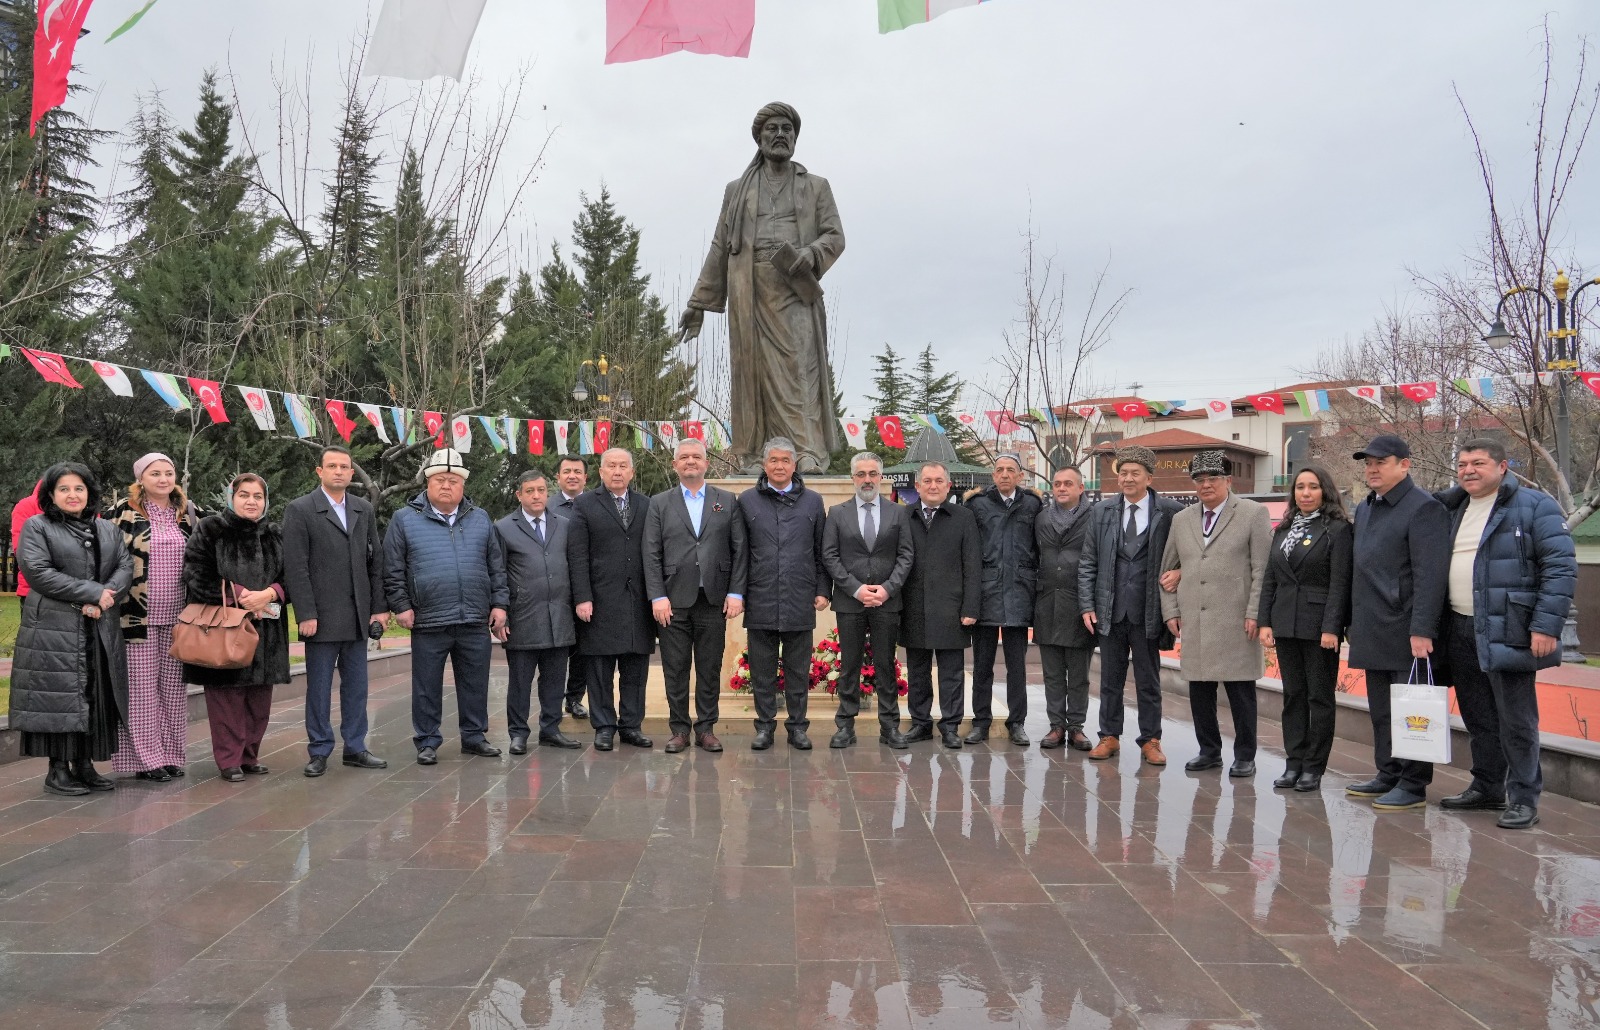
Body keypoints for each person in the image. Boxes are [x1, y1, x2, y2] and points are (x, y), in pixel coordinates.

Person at [679, 101, 845, 472]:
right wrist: (699, 303)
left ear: (795, 137)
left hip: (794, 291)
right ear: (759, 137)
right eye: (773, 129)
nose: (781, 135)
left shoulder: (815, 186)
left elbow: (835, 236)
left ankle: (806, 452)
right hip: (749, 293)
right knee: (752, 373)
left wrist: (812, 253)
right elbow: (721, 245)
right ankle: (756, 454)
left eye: (788, 129)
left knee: (799, 369)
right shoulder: (737, 190)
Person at [1435, 438, 1575, 829]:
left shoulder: (1535, 506)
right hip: (1459, 627)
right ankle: (1487, 787)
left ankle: (1524, 798)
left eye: (1478, 463)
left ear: (1502, 466)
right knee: (1478, 716)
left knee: (1516, 720)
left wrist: (1546, 625)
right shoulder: (1452, 508)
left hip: (1509, 627)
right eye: (1462, 464)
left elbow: (1560, 568)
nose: (1468, 471)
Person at [10, 465, 132, 796]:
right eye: (63, 489)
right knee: (60, 695)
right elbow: (37, 571)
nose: (72, 495)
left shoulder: (106, 528)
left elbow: (124, 565)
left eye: (78, 488)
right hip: (54, 629)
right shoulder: (38, 526)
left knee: (93, 692)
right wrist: (93, 593)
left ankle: (85, 765)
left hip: (98, 626)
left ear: (90, 493)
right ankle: (57, 770)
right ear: (50, 495)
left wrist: (107, 596)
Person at [384, 448, 509, 765]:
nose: (446, 486)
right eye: (440, 479)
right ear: (427, 482)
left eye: (453, 480)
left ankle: (474, 736)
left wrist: (499, 605)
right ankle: (427, 741)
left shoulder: (480, 519)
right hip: (428, 619)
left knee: (475, 682)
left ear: (463, 485)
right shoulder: (404, 520)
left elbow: (497, 567)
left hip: (473, 618)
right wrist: (401, 605)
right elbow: (393, 568)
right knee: (426, 685)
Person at [1344, 435, 1450, 812]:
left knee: (1412, 708)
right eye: (1367, 462)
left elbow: (1430, 575)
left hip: (1406, 628)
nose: (1371, 469)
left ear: (1405, 464)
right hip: (1372, 625)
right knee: (1381, 710)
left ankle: (1413, 782)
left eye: (1380, 462)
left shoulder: (1424, 508)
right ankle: (1387, 772)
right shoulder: (1366, 507)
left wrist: (1422, 629)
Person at [1159, 451, 1273, 778]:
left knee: (1241, 693)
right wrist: (1171, 611)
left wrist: (1256, 613)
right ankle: (1209, 751)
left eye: (1213, 478)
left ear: (1228, 481)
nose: (1206, 485)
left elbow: (1261, 569)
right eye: (1200, 479)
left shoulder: (1253, 514)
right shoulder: (1182, 519)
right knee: (1200, 692)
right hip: (1195, 620)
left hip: (1238, 620)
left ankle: (1245, 755)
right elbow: (1168, 570)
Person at [282, 445, 389, 778]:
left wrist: (378, 609)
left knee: (357, 687)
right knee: (319, 688)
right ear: (320, 472)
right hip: (321, 618)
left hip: (358, 615)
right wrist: (306, 613)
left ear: (352, 474)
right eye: (332, 466)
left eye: (345, 467)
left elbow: (376, 562)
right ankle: (319, 750)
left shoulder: (363, 509)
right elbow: (295, 567)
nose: (339, 472)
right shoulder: (300, 510)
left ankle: (356, 747)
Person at [181, 473, 291, 783]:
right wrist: (241, 595)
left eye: (258, 496)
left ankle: (249, 756)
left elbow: (293, 577)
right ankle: (228, 759)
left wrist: (271, 594)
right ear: (233, 498)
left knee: (259, 702)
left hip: (267, 633)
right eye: (244, 495)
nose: (251, 501)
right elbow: (194, 574)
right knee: (226, 701)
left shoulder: (275, 534)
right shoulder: (210, 530)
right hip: (223, 632)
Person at [1078, 445, 1183, 766]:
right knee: (1110, 679)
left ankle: (1151, 739)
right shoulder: (1102, 512)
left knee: (1149, 680)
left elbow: (1187, 556)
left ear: (1149, 477)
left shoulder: (1170, 512)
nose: (1127, 478)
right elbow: (1088, 561)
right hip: (1110, 609)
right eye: (1123, 473)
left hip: (1149, 609)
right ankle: (1108, 736)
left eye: (1134, 473)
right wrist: (1087, 604)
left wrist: (1180, 574)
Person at [645, 438, 747, 754]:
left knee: (709, 667)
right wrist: (657, 596)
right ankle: (678, 729)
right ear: (675, 464)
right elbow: (651, 553)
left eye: (697, 456)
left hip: (713, 599)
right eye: (684, 457)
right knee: (675, 668)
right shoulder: (659, 503)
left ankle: (706, 728)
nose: (691, 461)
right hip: (673, 601)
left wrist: (735, 592)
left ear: (706, 463)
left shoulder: (727, 500)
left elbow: (739, 549)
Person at [107, 454, 202, 782]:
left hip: (180, 617)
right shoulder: (123, 513)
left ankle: (173, 755)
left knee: (174, 690)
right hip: (136, 617)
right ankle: (147, 760)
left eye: (168, 473)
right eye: (155, 473)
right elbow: (107, 559)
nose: (163, 479)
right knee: (142, 690)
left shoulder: (189, 513)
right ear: (141, 479)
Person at [1257, 465, 1353, 793]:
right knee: (1293, 696)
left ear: (1325, 491)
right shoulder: (1284, 528)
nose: (1306, 493)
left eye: (1313, 487)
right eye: (1300, 487)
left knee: (1319, 698)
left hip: (1318, 627)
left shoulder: (1338, 530)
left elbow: (1340, 583)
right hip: (1285, 623)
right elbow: (1271, 578)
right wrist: (1265, 621)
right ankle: (1293, 762)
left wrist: (1332, 627)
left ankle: (1314, 767)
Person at [738, 437, 829, 750]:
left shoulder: (813, 502)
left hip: (799, 598)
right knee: (762, 672)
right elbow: (741, 553)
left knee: (797, 671)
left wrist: (822, 590)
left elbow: (821, 551)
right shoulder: (747, 500)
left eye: (785, 460)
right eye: (773, 460)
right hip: (760, 597)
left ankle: (797, 727)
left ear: (794, 465)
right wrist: (738, 593)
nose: (779, 466)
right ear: (765, 465)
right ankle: (764, 727)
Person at [822, 451, 915, 750]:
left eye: (872, 474)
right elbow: (830, 556)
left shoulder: (898, 512)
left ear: (881, 477)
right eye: (861, 474)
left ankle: (890, 727)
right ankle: (845, 727)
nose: (867, 479)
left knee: (886, 665)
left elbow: (906, 555)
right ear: (853, 478)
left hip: (887, 602)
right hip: (850, 602)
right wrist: (855, 589)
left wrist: (887, 589)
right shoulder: (837, 513)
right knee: (849, 666)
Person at [567, 447, 655, 752]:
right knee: (600, 670)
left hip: (638, 602)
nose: (617, 472)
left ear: (632, 472)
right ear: (601, 472)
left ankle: (631, 725)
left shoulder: (647, 505)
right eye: (611, 466)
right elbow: (577, 554)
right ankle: (604, 727)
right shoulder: (585, 505)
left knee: (635, 669)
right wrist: (582, 597)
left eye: (623, 466)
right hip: (599, 601)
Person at [495, 470, 581, 753]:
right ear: (519, 494)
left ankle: (551, 729)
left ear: (548, 492)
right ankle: (518, 733)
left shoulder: (565, 525)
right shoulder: (504, 527)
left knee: (555, 679)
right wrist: (501, 612)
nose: (536, 495)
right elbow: (497, 573)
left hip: (559, 616)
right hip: (522, 618)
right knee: (520, 681)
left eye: (541, 490)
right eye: (529, 490)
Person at [963, 453, 1043, 747]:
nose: (1005, 474)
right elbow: (969, 551)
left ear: (1020, 476)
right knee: (982, 665)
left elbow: (1039, 547)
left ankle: (1017, 722)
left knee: (1017, 667)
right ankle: (980, 721)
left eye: (1011, 470)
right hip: (985, 594)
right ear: (993, 475)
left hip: (1020, 593)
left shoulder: (1033, 504)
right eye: (1000, 470)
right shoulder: (977, 504)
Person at [901, 462, 981, 750]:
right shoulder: (904, 516)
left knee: (951, 672)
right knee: (918, 670)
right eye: (927, 481)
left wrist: (971, 607)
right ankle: (920, 724)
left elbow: (972, 565)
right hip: (913, 606)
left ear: (948, 486)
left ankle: (950, 726)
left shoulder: (963, 517)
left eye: (938, 481)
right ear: (917, 486)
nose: (933, 485)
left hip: (951, 608)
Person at [1034, 466, 1096, 751]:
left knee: (1079, 674)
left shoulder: (1095, 517)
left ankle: (1077, 727)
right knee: (1053, 673)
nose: (1061, 488)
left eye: (1068, 484)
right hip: (1047, 603)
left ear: (1080, 488)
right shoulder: (1042, 518)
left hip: (1080, 605)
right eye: (1057, 484)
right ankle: (1056, 726)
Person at [552, 455, 590, 721]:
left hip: (588, 591)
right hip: (558, 591)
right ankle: (551, 701)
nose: (572, 476)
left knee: (583, 651)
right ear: (558, 477)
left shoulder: (595, 504)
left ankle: (574, 698)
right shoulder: (547, 506)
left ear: (586, 477)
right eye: (567, 471)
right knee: (555, 652)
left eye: (578, 471)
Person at [9, 479, 41, 618]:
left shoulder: (86, 507)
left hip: (80, 594)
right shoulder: (27, 505)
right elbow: (25, 553)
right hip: (35, 591)